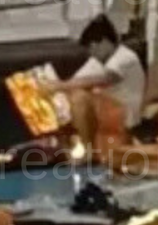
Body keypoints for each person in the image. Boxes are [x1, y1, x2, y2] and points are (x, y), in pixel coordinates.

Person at [49, 16, 147, 149]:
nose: (92, 53)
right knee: (69, 96)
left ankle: (89, 149)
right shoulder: (99, 60)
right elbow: (76, 81)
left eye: (93, 48)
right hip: (106, 108)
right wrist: (53, 88)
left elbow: (105, 78)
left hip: (124, 112)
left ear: (105, 43)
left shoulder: (125, 57)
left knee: (79, 98)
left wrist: (59, 86)